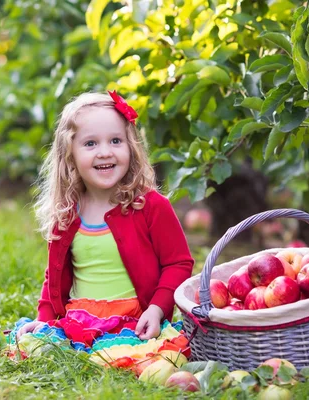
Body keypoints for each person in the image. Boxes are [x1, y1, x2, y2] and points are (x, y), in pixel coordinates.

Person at [16, 91, 194, 342]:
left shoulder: (151, 206)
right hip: (79, 320)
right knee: (37, 344)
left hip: (133, 321)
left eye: (115, 141)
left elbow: (178, 263)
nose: (104, 152)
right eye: (90, 144)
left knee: (140, 355)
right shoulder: (67, 211)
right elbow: (54, 274)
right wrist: (44, 319)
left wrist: (156, 310)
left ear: (131, 147)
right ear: (70, 155)